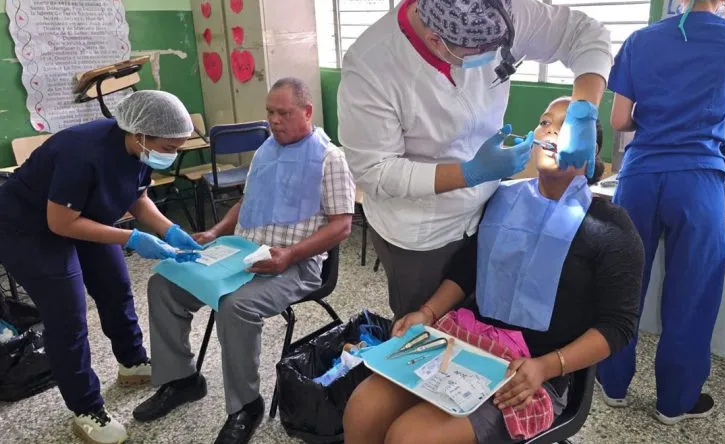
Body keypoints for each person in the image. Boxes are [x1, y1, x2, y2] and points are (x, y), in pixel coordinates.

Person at [342, 97, 644, 444]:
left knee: (411, 437)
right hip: (464, 343)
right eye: (545, 123)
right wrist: (426, 313)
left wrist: (546, 366)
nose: (550, 132)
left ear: (590, 151)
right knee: (363, 407)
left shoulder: (611, 228)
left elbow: (618, 325)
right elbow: (468, 269)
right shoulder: (502, 199)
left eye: (566, 129)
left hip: (531, 372)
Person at [337, 0, 612, 320]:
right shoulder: (371, 66)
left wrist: (584, 109)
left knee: (485, 321)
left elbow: (586, 33)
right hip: (423, 231)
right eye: (480, 52)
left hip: (490, 209)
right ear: (437, 41)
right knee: (426, 333)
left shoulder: (495, 8)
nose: (494, 57)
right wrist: (469, 173)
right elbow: (376, 172)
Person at [597, 0, 725, 425]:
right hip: (698, 182)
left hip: (640, 178)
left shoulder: (640, 40)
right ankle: (674, 403)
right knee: (692, 292)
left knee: (623, 281)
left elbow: (620, 119)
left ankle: (610, 383)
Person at [132, 78, 356, 444]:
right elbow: (245, 203)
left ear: (307, 112)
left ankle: (245, 406)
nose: (274, 120)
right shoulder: (266, 150)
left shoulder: (330, 158)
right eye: (270, 112)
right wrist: (216, 232)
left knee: (235, 307)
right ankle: (182, 380)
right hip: (241, 252)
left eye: (283, 113)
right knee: (164, 283)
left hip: (296, 263)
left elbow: (342, 226)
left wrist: (290, 256)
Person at [0, 90, 202, 444]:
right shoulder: (83, 152)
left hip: (82, 215)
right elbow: (60, 223)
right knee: (68, 318)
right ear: (141, 134)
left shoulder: (139, 147)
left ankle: (131, 362)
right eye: (169, 148)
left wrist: (169, 230)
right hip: (28, 228)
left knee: (115, 287)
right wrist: (132, 240)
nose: (171, 155)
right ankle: (86, 408)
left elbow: (137, 196)